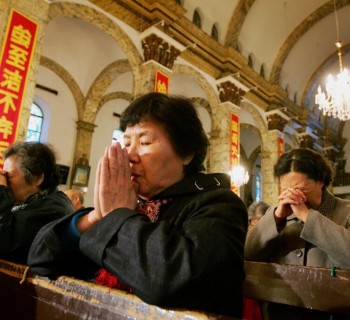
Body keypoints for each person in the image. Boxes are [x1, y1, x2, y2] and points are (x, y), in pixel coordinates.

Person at [28, 92, 248, 318]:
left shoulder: (218, 204)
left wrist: (118, 216)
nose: (129, 155)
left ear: (186, 153)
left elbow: (175, 281)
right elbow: (40, 259)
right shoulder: (128, 207)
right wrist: (94, 218)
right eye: (125, 143)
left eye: (144, 142)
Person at [245, 148, 350, 320]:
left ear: (321, 181)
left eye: (301, 189)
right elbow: (246, 255)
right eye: (286, 189)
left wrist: (307, 217)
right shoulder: (276, 214)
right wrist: (276, 218)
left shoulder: (345, 212)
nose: (294, 196)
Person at [0, 141, 75, 264]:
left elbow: (4, 242)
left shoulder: (54, 209)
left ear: (37, 177)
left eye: (8, 176)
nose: (5, 183)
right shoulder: (33, 202)